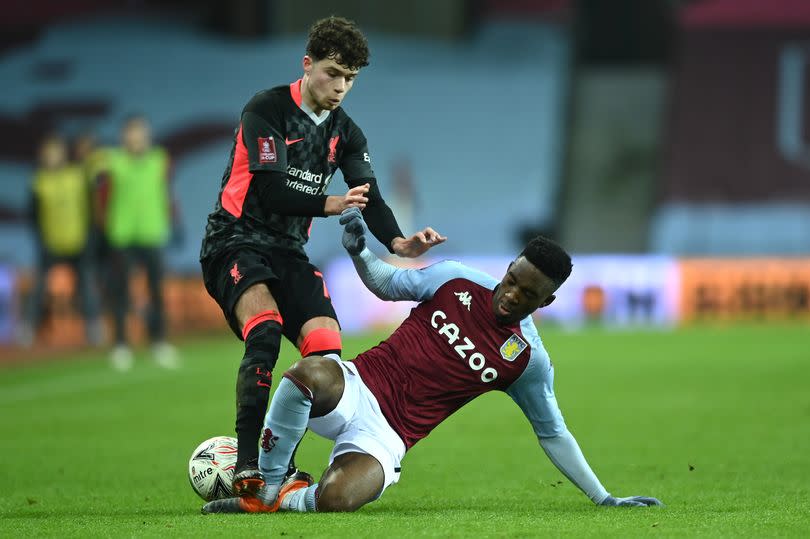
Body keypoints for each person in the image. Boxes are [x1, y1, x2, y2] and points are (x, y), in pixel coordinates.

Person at [201, 208, 663, 514]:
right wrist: (361, 250)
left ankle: (290, 497)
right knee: (307, 374)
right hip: (358, 386)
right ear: (509, 268)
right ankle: (266, 486)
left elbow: (553, 432)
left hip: (389, 436)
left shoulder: (526, 360)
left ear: (548, 300)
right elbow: (386, 283)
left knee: (338, 499)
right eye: (512, 279)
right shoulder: (457, 281)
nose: (511, 294)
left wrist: (604, 498)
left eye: (528, 294)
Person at [199, 16, 445, 497]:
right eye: (333, 72)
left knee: (327, 356)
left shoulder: (345, 132)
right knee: (265, 329)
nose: (341, 86)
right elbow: (269, 190)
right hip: (234, 240)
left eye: (351, 78)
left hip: (288, 250)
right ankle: (247, 465)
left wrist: (397, 242)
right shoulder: (266, 110)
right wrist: (330, 203)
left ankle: (280, 467)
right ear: (307, 64)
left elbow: (368, 194)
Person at [103, 115, 178, 370]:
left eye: (140, 133)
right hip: (122, 234)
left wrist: (173, 222)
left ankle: (159, 342)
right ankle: (121, 345)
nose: (136, 138)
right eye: (131, 133)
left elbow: (167, 194)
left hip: (152, 232)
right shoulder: (112, 162)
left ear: (147, 135)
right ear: (124, 136)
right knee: (121, 291)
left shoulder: (159, 160)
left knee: (156, 291)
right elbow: (101, 197)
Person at [21, 133, 102, 347]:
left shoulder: (77, 176)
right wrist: (42, 240)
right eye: (48, 153)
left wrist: (89, 237)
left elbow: (90, 209)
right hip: (51, 245)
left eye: (55, 152)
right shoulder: (39, 182)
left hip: (79, 243)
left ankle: (94, 328)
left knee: (86, 286)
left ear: (63, 153)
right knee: (38, 287)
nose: (52, 157)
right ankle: (28, 329)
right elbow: (34, 216)